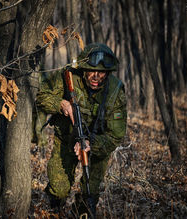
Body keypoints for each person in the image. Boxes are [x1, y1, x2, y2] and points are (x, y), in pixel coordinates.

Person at [36, 43, 127, 217]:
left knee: (90, 192)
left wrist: (90, 143)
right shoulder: (68, 75)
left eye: (101, 73)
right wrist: (61, 104)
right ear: (83, 68)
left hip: (97, 145)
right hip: (66, 140)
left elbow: (115, 136)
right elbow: (41, 96)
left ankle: (81, 212)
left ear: (108, 73)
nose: (96, 77)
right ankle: (55, 210)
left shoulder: (115, 92)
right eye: (91, 71)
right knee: (59, 189)